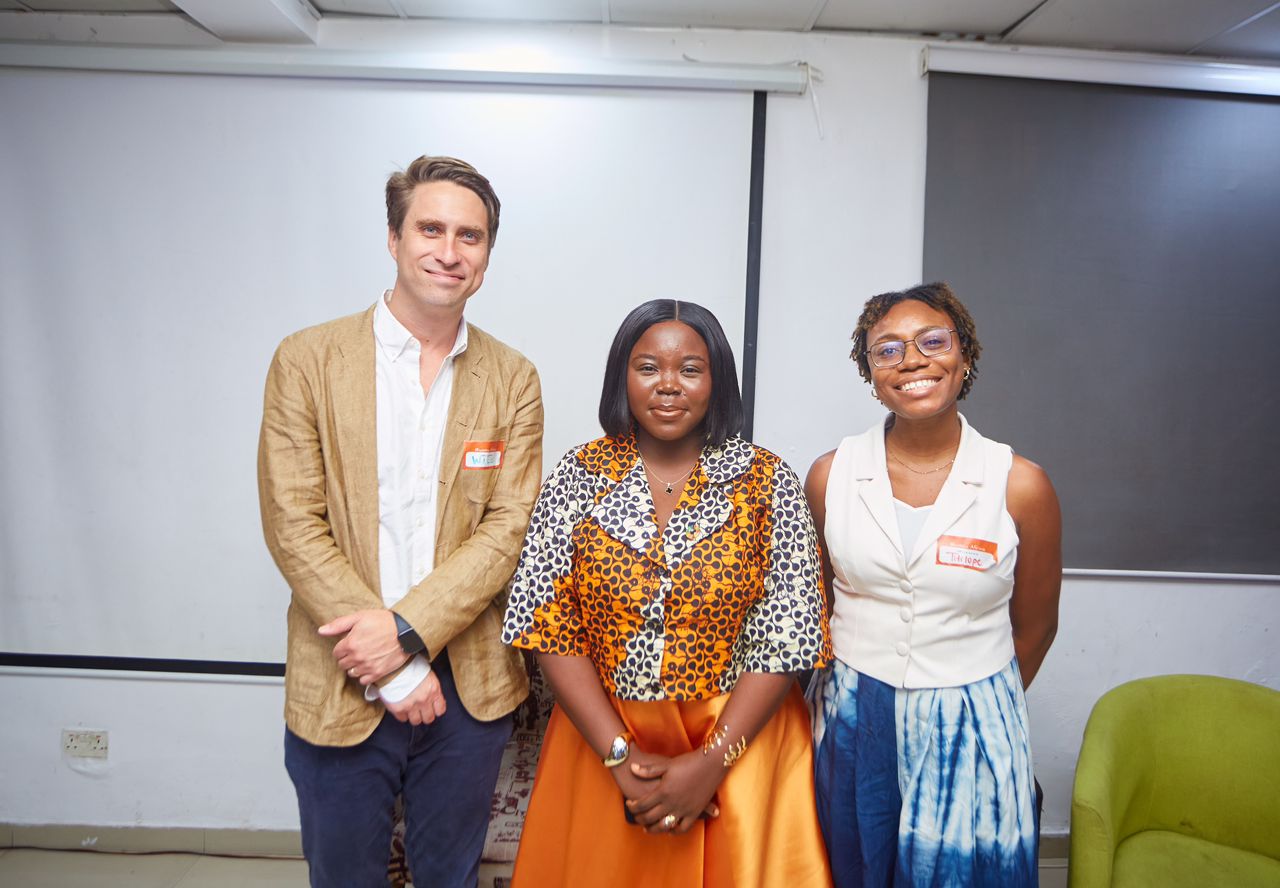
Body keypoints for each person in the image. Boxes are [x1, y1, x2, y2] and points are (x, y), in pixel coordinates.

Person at [257, 155, 543, 888]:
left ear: (487, 256)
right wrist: (390, 662)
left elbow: (508, 528)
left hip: (468, 689)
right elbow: (293, 523)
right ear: (393, 238)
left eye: (470, 236)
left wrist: (407, 632)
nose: (450, 251)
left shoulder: (513, 378)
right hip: (342, 675)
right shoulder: (307, 360)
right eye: (430, 229)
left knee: (449, 876)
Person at [501, 299, 835, 887]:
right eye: (649, 367)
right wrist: (620, 757)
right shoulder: (577, 477)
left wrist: (711, 764)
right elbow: (547, 624)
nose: (669, 385)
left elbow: (789, 637)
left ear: (717, 381)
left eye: (691, 369)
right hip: (604, 740)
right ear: (622, 376)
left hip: (741, 742)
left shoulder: (767, 481)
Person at [805, 282, 1061, 887]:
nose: (912, 361)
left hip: (973, 715)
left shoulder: (1019, 484)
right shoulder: (830, 475)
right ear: (870, 374)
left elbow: (1037, 627)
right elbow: (816, 607)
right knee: (852, 866)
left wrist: (965, 698)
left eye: (932, 342)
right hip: (853, 715)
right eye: (888, 350)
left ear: (964, 357)